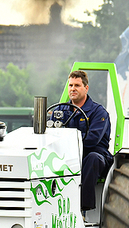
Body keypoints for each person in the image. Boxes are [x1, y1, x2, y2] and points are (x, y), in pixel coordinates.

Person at [51, 70, 114, 213]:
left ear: (86, 88)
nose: (73, 89)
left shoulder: (99, 112)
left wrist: (65, 143)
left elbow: (92, 140)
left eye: (77, 85)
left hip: (93, 155)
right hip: (66, 155)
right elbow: (50, 135)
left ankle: (82, 208)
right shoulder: (60, 110)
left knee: (92, 159)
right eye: (70, 85)